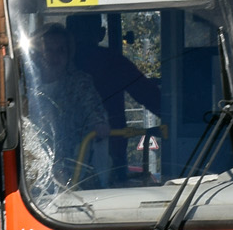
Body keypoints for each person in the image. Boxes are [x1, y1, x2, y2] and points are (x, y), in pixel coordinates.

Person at [66, 14, 161, 181]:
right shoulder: (112, 61)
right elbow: (149, 96)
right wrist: (183, 119)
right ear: (102, 34)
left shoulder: (56, 61)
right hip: (111, 151)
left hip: (62, 153)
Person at [21, 23, 111, 196]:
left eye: (61, 50)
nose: (55, 57)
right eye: (49, 50)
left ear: (69, 54)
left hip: (75, 164)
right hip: (32, 167)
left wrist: (99, 123)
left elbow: (94, 109)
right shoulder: (25, 84)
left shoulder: (79, 82)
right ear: (37, 54)